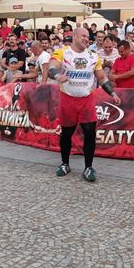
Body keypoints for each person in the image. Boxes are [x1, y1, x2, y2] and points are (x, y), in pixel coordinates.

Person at [48, 26, 121, 182]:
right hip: (68, 98)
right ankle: (65, 164)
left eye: (88, 36)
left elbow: (101, 78)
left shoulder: (93, 56)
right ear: (74, 36)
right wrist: (57, 75)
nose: (86, 38)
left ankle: (88, 167)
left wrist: (112, 93)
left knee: (89, 133)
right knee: (67, 133)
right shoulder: (62, 52)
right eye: (83, 35)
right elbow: (51, 67)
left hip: (86, 99)